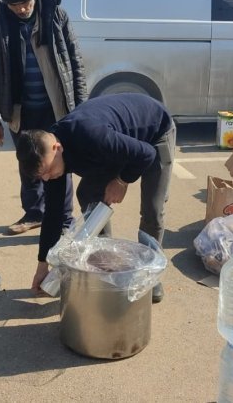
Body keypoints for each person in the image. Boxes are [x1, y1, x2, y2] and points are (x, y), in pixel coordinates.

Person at [16, 93, 176, 303]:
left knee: (152, 210)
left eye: (48, 170)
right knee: (88, 194)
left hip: (154, 133)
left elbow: (145, 154)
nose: (47, 177)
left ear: (57, 148)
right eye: (41, 176)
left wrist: (121, 180)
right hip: (115, 147)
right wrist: (42, 265)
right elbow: (53, 215)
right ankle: (107, 264)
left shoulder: (89, 135)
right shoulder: (51, 161)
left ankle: (149, 276)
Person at [0, 0, 88, 235]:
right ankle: (35, 213)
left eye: (26, 3)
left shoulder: (56, 15)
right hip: (21, 108)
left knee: (58, 164)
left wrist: (83, 108)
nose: (22, 9)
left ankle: (64, 220)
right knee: (29, 163)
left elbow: (75, 63)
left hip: (56, 106)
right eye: (15, 5)